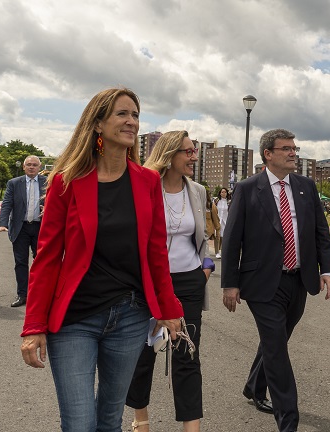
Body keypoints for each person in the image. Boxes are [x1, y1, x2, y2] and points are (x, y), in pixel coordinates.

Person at [19, 87, 184, 432]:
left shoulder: (147, 181)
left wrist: (169, 308)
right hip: (75, 318)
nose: (131, 121)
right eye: (122, 114)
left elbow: (156, 252)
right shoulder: (66, 181)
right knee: (79, 424)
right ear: (97, 124)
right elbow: (47, 258)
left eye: (135, 115)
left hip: (130, 316)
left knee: (110, 421)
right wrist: (33, 325)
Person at [221, 128, 330, 432]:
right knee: (276, 350)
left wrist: (327, 269)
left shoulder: (306, 187)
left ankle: (254, 386)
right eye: (286, 148)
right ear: (268, 154)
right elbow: (231, 240)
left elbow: (320, 232)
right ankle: (288, 421)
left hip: (298, 280)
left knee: (277, 340)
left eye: (294, 148)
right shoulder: (247, 189)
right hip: (261, 283)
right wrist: (229, 283)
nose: (293, 153)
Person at [127, 130, 215, 432]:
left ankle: (192, 428)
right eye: (188, 152)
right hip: (147, 283)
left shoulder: (197, 191)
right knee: (143, 354)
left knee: (187, 355)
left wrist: (205, 270)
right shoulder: (143, 186)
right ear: (169, 154)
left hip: (189, 282)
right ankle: (141, 419)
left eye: (195, 151)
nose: (194, 157)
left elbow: (204, 237)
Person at [0, 155, 47, 307]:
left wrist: (48, 208)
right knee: (21, 262)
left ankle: (40, 295)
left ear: (39, 167)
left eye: (34, 165)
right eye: (28, 164)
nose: (31, 167)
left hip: (41, 228)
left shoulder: (48, 182)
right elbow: (7, 204)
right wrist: (3, 224)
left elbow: (57, 201)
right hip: (20, 228)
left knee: (41, 262)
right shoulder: (14, 183)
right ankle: (22, 295)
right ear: (23, 167)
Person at [213, 187, 231, 258]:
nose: (223, 193)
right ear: (220, 193)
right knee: (217, 236)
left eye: (225, 192)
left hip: (225, 221)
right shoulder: (216, 201)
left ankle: (222, 251)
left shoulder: (229, 202)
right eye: (222, 192)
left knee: (223, 237)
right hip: (217, 220)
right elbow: (213, 210)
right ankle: (217, 252)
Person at [205, 188, 220, 260]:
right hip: (199, 227)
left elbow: (215, 218)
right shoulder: (196, 203)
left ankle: (217, 252)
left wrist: (217, 228)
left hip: (208, 227)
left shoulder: (211, 205)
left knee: (215, 238)